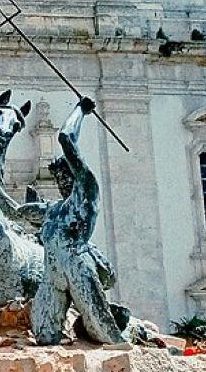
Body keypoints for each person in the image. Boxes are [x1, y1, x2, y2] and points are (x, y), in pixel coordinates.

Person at [17, 96, 130, 346]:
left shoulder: (86, 193)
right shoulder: (54, 210)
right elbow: (17, 212)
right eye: (59, 179)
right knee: (44, 335)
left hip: (77, 265)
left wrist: (80, 110)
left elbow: (66, 138)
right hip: (53, 273)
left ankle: (126, 328)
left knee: (104, 332)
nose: (63, 183)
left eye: (66, 177)